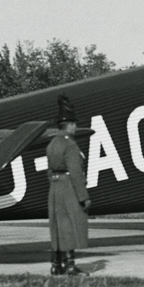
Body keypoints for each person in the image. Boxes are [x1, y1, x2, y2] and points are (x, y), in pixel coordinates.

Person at [46, 94, 90, 275]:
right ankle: (70, 265)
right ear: (70, 125)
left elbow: (49, 171)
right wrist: (83, 196)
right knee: (70, 225)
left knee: (57, 226)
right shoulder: (70, 145)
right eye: (75, 124)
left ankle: (56, 265)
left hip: (55, 188)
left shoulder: (52, 144)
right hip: (68, 187)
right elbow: (76, 172)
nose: (76, 127)